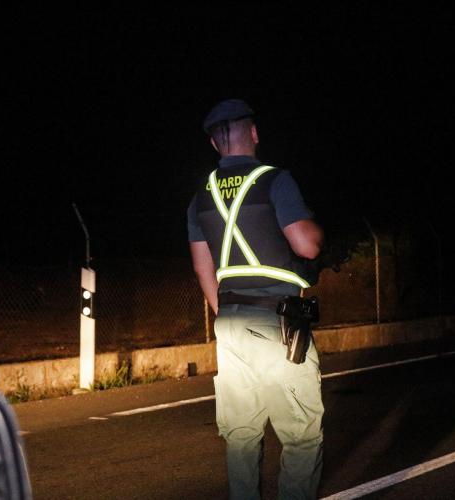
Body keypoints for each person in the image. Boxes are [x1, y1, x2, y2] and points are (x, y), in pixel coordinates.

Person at [187, 98, 325, 500]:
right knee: (301, 436)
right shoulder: (275, 180)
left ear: (215, 143)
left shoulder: (201, 196)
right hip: (276, 322)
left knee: (241, 435)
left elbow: (202, 267)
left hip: (229, 324)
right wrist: (318, 232)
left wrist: (228, 315)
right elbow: (306, 244)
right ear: (254, 133)